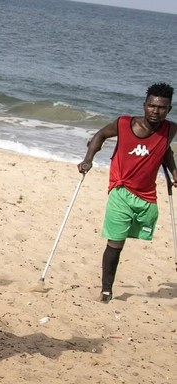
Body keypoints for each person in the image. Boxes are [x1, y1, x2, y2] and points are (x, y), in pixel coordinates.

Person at [77, 83, 175, 303]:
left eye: (161, 107)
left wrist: (174, 171)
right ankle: (106, 291)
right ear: (144, 105)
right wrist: (88, 159)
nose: (155, 111)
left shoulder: (170, 129)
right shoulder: (123, 124)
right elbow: (100, 135)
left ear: (169, 109)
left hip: (147, 196)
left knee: (141, 231)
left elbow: (165, 150)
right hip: (120, 190)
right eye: (151, 106)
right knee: (116, 241)